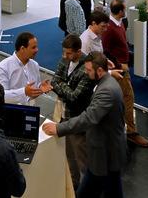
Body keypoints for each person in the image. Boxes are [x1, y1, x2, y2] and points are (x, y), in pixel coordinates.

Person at [42, 52, 127, 198]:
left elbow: (88, 118)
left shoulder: (106, 90)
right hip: (108, 152)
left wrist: (58, 128)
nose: (86, 73)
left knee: (91, 191)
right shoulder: (106, 81)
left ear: (99, 70)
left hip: (104, 153)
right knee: (112, 189)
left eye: (88, 70)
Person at [50, 35, 96, 190]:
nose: (65, 56)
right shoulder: (65, 59)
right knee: (69, 155)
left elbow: (74, 97)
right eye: (64, 52)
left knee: (82, 158)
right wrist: (64, 86)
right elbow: (54, 80)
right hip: (63, 116)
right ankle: (74, 185)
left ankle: (90, 189)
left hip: (77, 121)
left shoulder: (86, 68)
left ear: (78, 52)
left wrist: (60, 85)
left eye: (69, 53)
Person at [103, 0, 148, 148]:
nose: (126, 11)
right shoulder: (110, 28)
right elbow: (105, 51)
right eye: (124, 9)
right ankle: (131, 132)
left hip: (123, 67)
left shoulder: (120, 23)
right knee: (128, 97)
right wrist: (119, 65)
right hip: (119, 70)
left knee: (119, 98)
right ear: (120, 12)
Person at [0, 32, 51, 105]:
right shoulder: (3, 67)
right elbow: (1, 96)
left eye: (36, 47)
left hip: (30, 108)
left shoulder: (35, 65)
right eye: (33, 47)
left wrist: (40, 87)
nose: (37, 50)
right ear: (22, 49)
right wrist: (24, 92)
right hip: (11, 110)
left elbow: (32, 90)